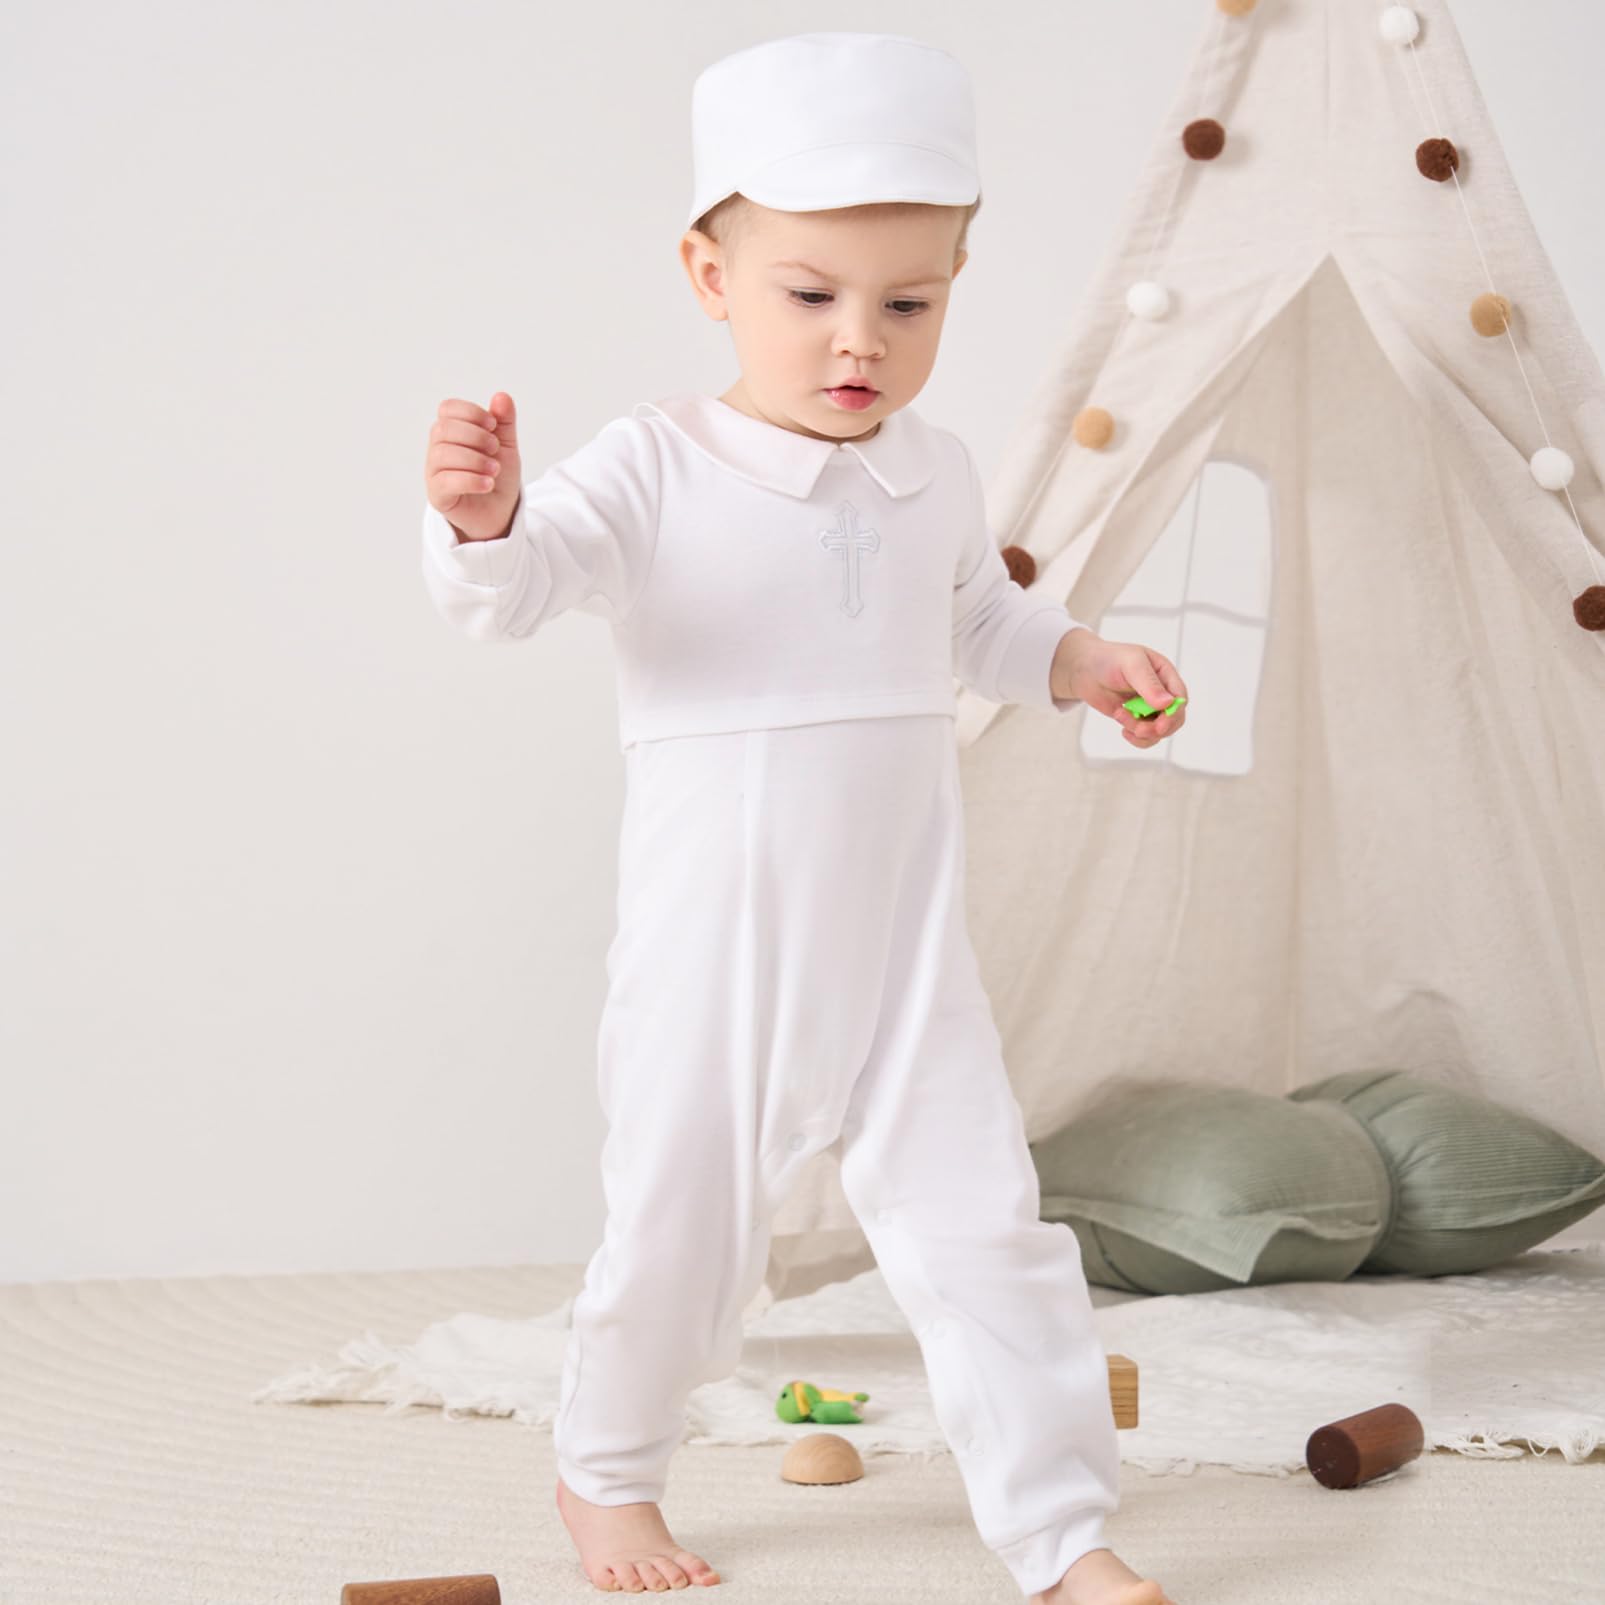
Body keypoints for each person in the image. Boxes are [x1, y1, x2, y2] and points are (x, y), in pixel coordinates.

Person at [419, 31, 1186, 1605]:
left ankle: (1058, 1533)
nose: (859, 341)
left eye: (907, 304)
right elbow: (520, 586)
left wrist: (1084, 662)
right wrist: (484, 520)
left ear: (952, 287)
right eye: (809, 293)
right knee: (681, 1224)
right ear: (711, 276)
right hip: (718, 948)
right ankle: (605, 1470)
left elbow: (979, 627)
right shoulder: (655, 464)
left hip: (903, 943)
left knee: (986, 1229)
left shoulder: (937, 472)